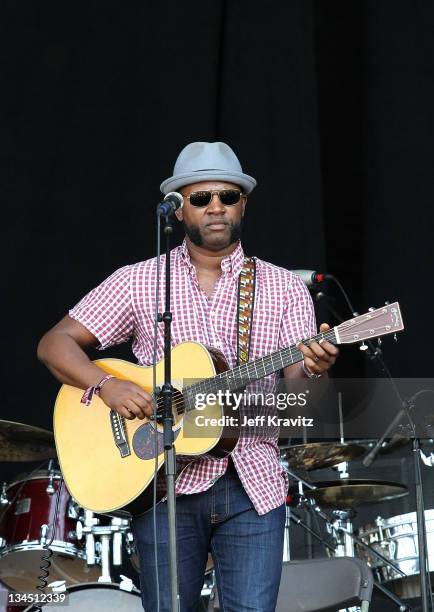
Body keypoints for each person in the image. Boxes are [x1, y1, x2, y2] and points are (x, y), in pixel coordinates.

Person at [37, 141, 339, 612]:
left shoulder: (282, 286)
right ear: (178, 210)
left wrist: (315, 371)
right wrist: (108, 385)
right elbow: (54, 344)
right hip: (163, 481)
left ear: (244, 204)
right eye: (200, 199)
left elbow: (299, 395)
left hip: (252, 481)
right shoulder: (140, 280)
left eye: (228, 196)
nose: (215, 207)